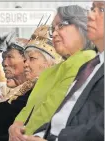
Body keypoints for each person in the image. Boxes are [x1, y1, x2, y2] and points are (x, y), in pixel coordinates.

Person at [16, 1, 104, 141]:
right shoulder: (53, 71)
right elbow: (32, 108)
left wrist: (27, 135)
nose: (55, 33)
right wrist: (17, 125)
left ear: (80, 26)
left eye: (61, 25)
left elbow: (52, 110)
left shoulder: (87, 61)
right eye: (53, 29)